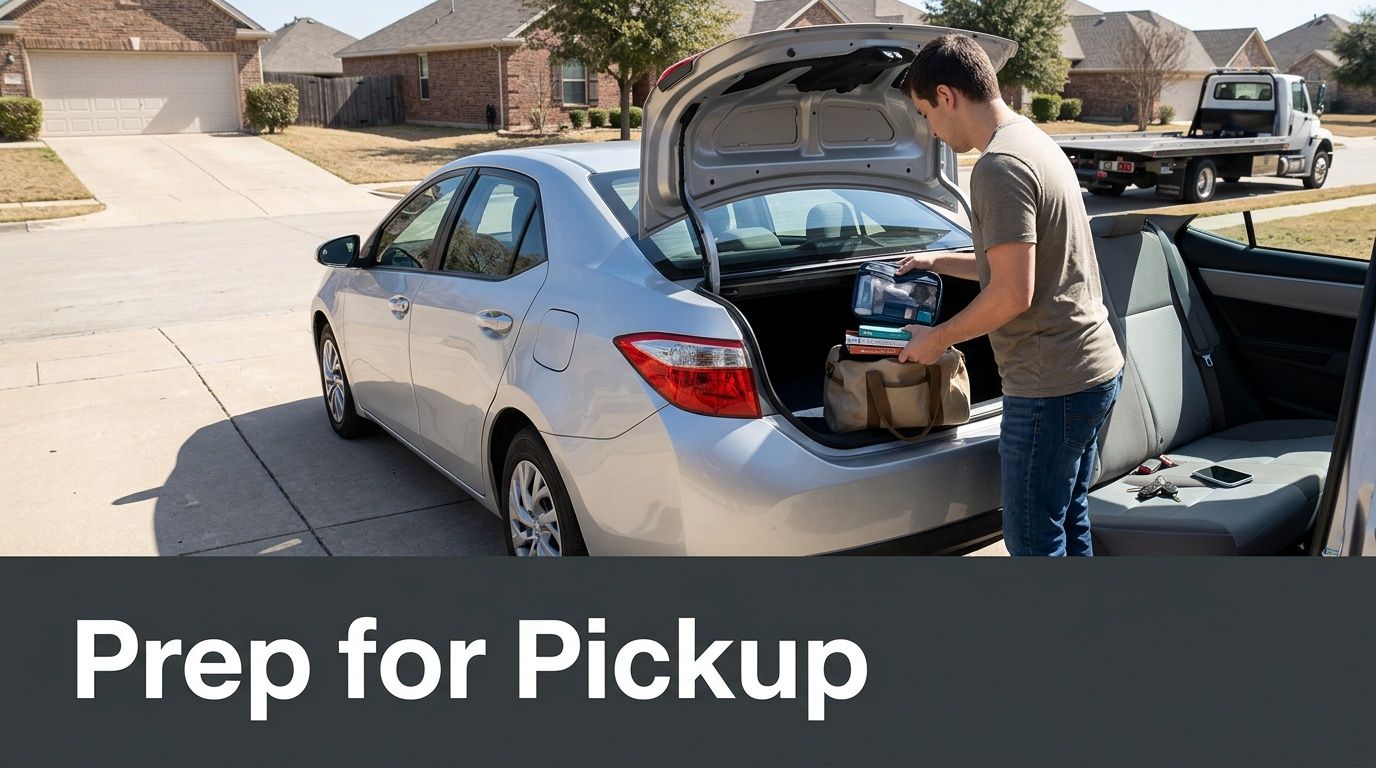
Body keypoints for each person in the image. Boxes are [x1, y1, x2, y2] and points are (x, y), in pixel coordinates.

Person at [893, 34, 1124, 556]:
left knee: (1032, 538)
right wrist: (935, 261)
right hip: (1092, 367)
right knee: (1067, 517)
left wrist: (937, 340)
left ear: (948, 96)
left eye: (926, 113)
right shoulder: (1032, 141)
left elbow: (1012, 294)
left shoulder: (999, 167)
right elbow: (1018, 263)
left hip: (1051, 382)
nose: (929, 129)